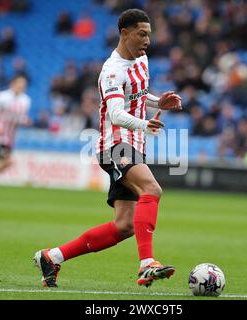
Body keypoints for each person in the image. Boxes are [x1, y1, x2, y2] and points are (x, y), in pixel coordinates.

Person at [34, 8, 182, 288]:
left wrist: (157, 102)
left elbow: (136, 93)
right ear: (124, 34)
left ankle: (52, 257)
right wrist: (143, 125)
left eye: (149, 34)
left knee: (125, 226)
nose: (147, 40)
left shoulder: (142, 59)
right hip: (114, 145)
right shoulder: (111, 71)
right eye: (141, 34)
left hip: (133, 145)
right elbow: (114, 113)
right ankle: (147, 263)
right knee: (152, 190)